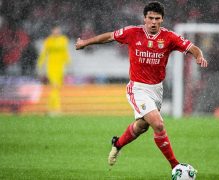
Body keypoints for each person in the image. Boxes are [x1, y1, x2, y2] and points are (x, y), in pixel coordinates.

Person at [75, 1, 208, 169]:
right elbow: (109, 36)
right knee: (158, 124)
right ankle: (176, 167)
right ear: (144, 18)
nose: (153, 22)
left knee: (141, 127)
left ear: (162, 20)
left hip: (156, 90)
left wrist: (198, 56)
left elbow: (193, 47)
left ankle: (117, 144)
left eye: (157, 19)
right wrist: (85, 43)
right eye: (150, 18)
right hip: (137, 88)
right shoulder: (133, 32)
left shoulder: (169, 37)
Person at [38, 26, 70, 115]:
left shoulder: (63, 40)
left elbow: (65, 52)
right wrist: (40, 64)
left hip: (60, 67)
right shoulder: (48, 40)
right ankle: (56, 108)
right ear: (52, 31)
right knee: (55, 86)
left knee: (57, 88)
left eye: (58, 31)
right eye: (55, 31)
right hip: (51, 67)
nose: (56, 32)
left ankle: (50, 108)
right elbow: (44, 53)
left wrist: (68, 63)